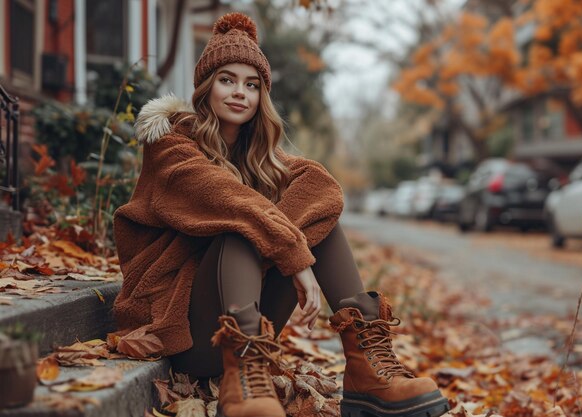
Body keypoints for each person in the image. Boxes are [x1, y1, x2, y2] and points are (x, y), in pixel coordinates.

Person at [112, 12, 449, 417]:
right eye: (227, 80)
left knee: (316, 218)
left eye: (251, 85)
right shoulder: (171, 146)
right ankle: (242, 379)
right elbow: (231, 202)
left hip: (253, 324)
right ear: (205, 87)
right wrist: (293, 253)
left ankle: (366, 370)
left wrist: (294, 243)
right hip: (187, 331)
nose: (240, 93)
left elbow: (323, 189)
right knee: (241, 225)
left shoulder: (262, 161)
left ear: (261, 97)